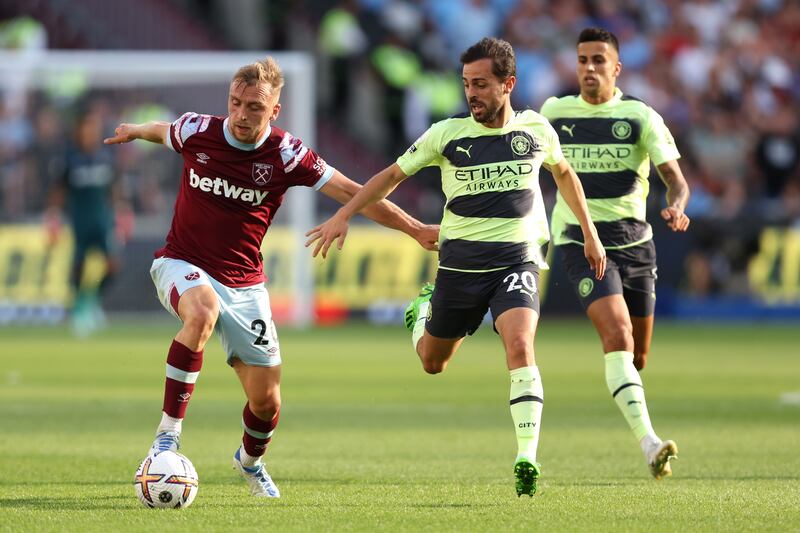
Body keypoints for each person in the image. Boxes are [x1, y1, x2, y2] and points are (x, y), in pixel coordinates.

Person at [103, 57, 438, 499]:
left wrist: (414, 229)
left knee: (267, 402)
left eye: (254, 108)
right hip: (181, 262)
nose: (241, 115)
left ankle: (250, 462)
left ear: (274, 111)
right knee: (201, 312)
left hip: (244, 283)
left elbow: (356, 194)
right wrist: (134, 130)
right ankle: (167, 436)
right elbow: (161, 130)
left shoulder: (287, 154)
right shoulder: (197, 130)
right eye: (236, 103)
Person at [306, 37, 606, 497]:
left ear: (508, 84)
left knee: (521, 344)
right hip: (460, 266)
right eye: (467, 84)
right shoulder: (446, 134)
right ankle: (421, 315)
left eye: (482, 84)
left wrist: (589, 231)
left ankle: (527, 455)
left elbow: (564, 173)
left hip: (517, 260)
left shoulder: (537, 130)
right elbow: (390, 177)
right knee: (433, 362)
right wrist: (345, 213)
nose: (472, 94)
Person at [540, 27, 691, 480]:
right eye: (582, 59)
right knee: (618, 335)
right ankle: (649, 444)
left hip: (636, 245)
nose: (589, 68)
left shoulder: (640, 116)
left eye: (598, 60)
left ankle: (625, 388)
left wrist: (677, 207)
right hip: (579, 242)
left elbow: (675, 180)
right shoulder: (553, 113)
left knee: (637, 355)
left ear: (616, 68)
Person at [46, 107, 131, 336]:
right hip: (79, 220)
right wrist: (53, 217)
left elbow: (114, 188)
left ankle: (92, 301)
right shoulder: (68, 157)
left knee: (113, 264)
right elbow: (58, 190)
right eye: (85, 127)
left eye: (92, 127)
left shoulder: (106, 155)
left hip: (102, 219)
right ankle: (79, 308)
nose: (89, 132)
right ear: (78, 130)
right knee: (79, 266)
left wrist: (122, 212)